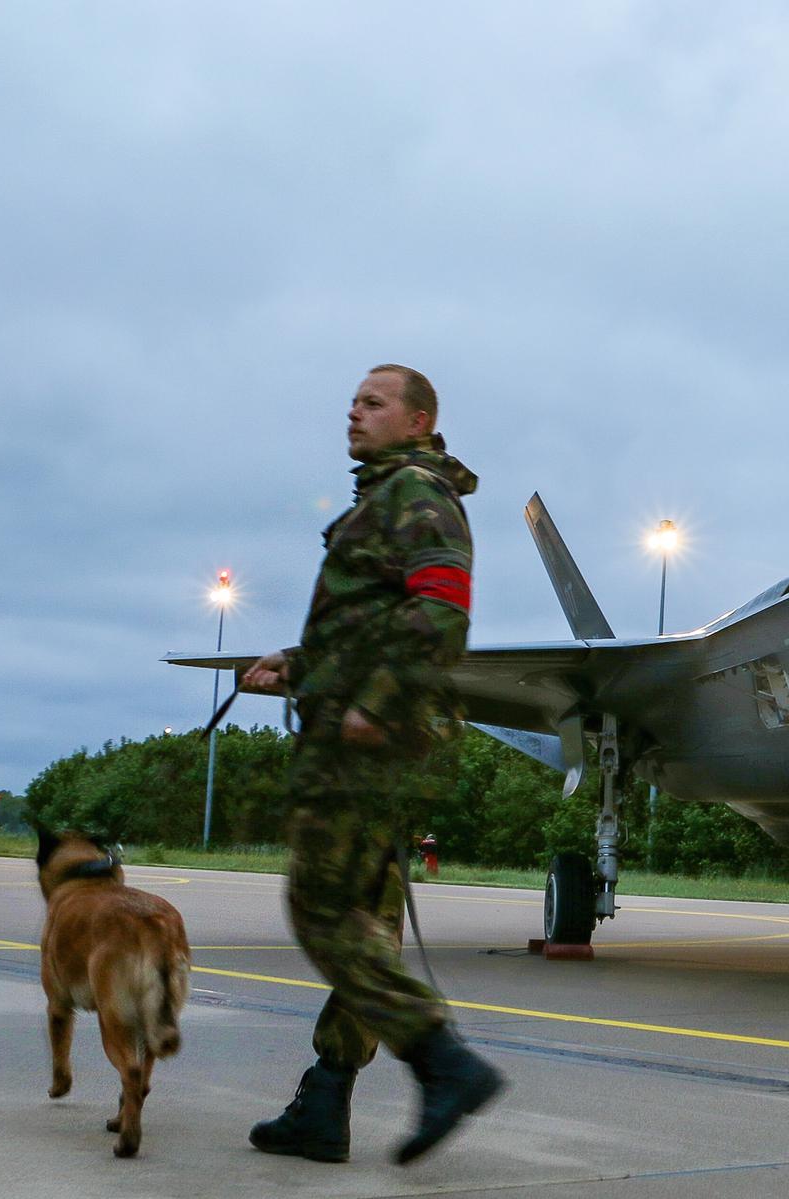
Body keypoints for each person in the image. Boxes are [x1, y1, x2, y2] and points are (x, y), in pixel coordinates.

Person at [237, 364, 501, 1165]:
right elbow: (374, 621)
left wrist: (377, 702)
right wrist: (300, 660)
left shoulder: (416, 493)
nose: (354, 411)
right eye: (353, 399)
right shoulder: (386, 495)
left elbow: (442, 607)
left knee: (320, 910)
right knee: (363, 922)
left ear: (418, 420)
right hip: (372, 734)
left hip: (368, 745)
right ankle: (326, 1102)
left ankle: (441, 1060)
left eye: (374, 402)